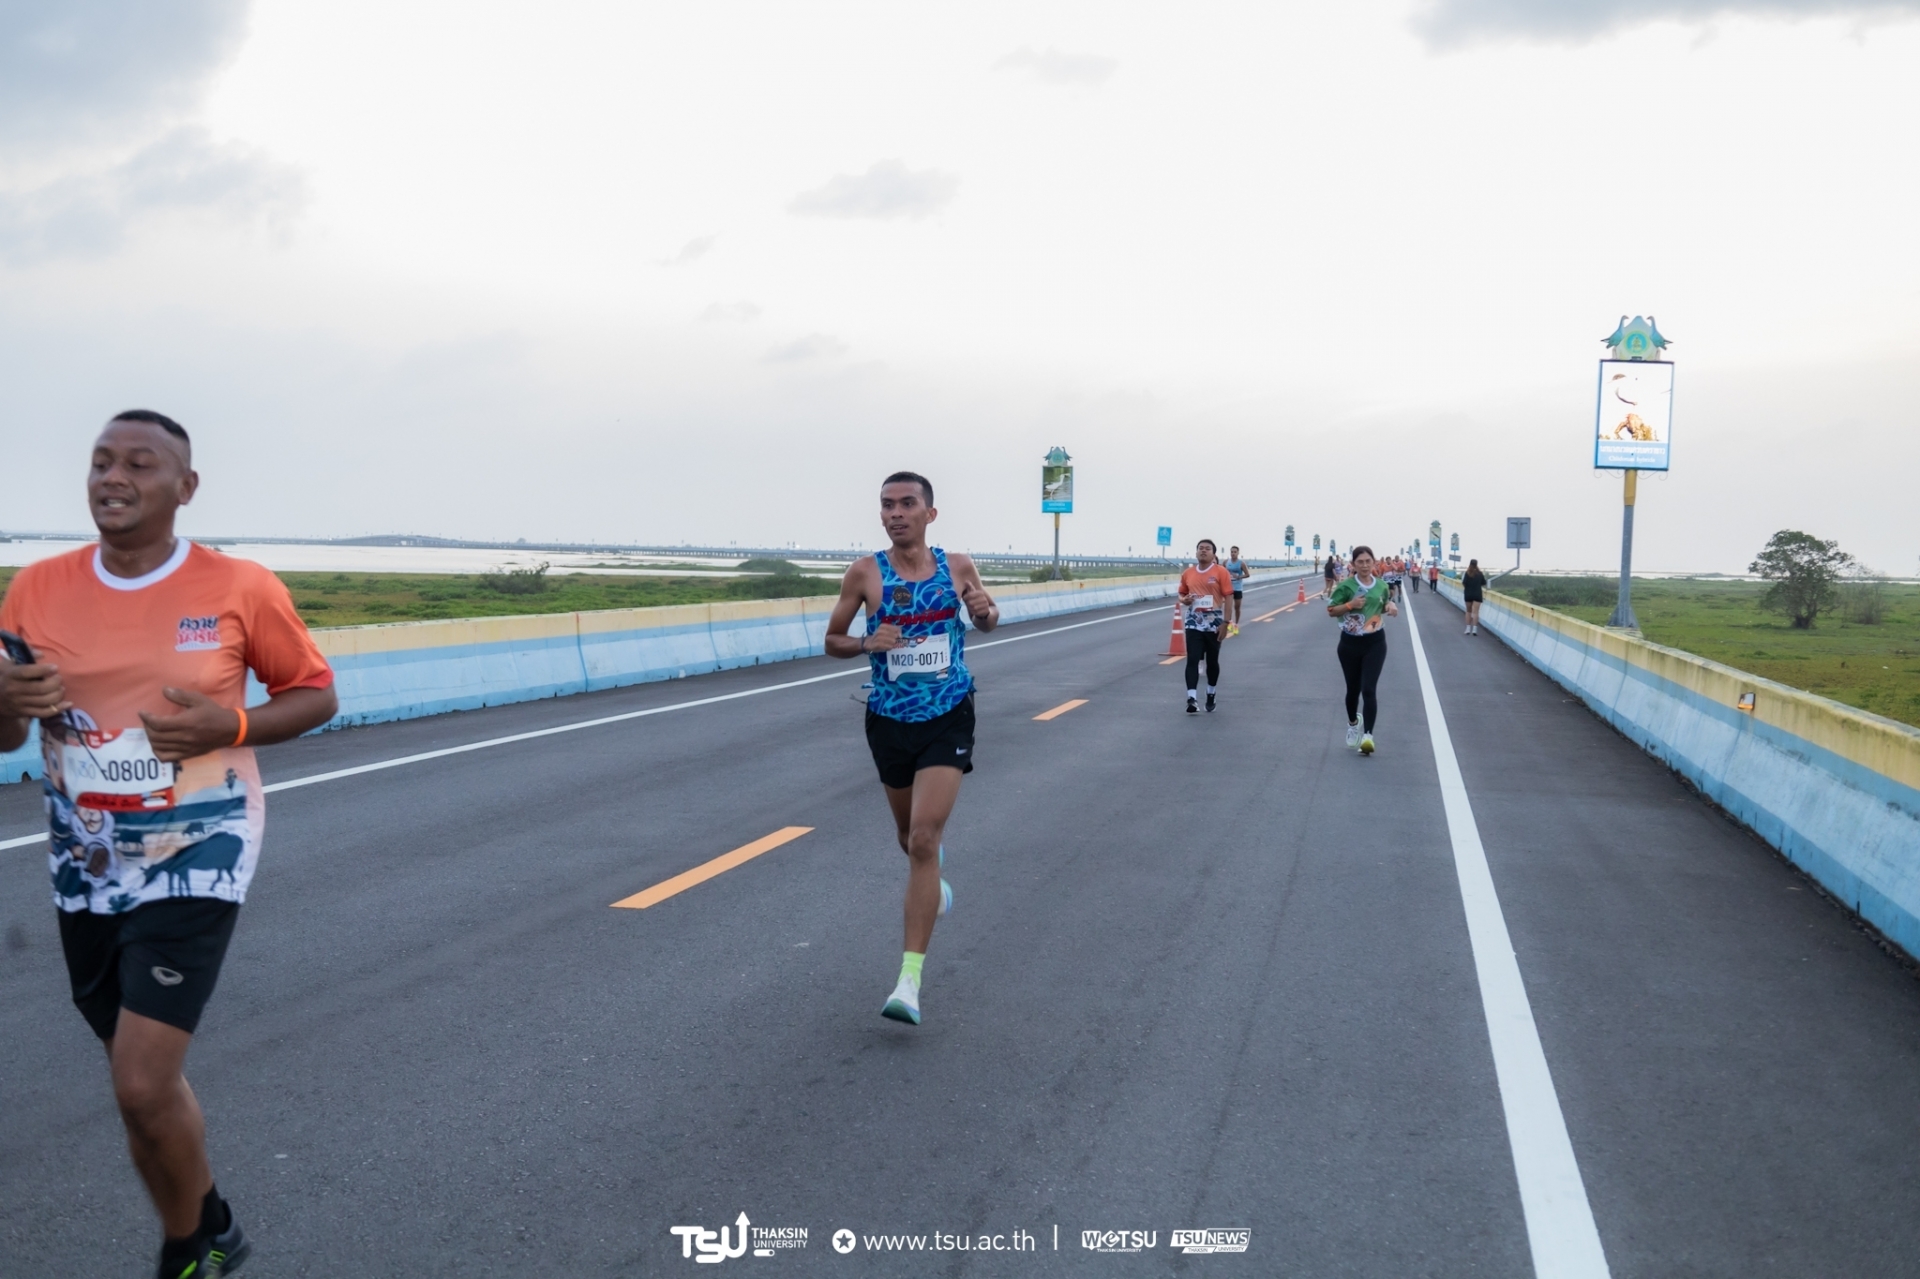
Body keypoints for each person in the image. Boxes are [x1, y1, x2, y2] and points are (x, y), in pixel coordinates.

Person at [0, 410, 339, 1279]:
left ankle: (188, 1252)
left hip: (200, 845)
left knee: (142, 1081)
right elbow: (7, 733)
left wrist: (231, 724)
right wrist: (7, 699)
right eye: (100, 461)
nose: (113, 476)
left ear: (185, 488)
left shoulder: (239, 586)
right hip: (85, 859)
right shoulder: (35, 587)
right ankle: (212, 1223)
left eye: (139, 463)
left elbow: (314, 692)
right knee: (139, 1086)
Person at [826, 472, 998, 1026]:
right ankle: (933, 883)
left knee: (924, 838)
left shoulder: (958, 566)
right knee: (908, 838)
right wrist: (864, 642)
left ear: (930, 513)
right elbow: (832, 640)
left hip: (948, 713)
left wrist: (983, 611)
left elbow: (988, 620)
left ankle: (909, 981)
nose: (895, 513)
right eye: (887, 505)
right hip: (889, 719)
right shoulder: (865, 573)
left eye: (906, 503)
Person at [1325, 545, 1397, 756]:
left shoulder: (1381, 585)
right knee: (1353, 690)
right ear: (1353, 564)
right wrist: (1351, 605)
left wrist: (1390, 606)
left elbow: (1382, 604)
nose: (1365, 566)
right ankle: (1353, 723)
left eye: (1368, 561)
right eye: (1360, 562)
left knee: (1369, 689)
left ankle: (1368, 737)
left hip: (1375, 642)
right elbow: (1331, 610)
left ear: (1374, 562)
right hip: (1349, 644)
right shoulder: (1346, 586)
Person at [1177, 540, 1235, 714]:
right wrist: (1184, 600)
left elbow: (1229, 597)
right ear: (1196, 553)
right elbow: (1181, 593)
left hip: (1214, 621)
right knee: (1193, 659)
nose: (1203, 551)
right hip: (1193, 620)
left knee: (1212, 661)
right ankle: (1191, 699)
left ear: (1213, 554)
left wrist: (1226, 622)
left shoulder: (1221, 572)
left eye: (1207, 549)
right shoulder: (1188, 573)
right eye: (1200, 548)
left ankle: (1211, 693)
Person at [1223, 545, 1249, 633]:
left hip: (1238, 588)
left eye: (1235, 552)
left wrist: (1239, 576)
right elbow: (1221, 572)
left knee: (1237, 607)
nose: (1233, 553)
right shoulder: (1226, 562)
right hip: (1228, 587)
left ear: (1238, 553)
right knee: (1228, 607)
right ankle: (1230, 623)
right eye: (1232, 552)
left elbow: (1247, 574)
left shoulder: (1241, 563)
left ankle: (1236, 624)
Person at [1462, 558, 1488, 635]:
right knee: (1476, 612)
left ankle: (1467, 629)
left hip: (1468, 594)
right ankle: (1474, 630)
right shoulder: (1480, 574)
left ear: (1470, 564)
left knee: (1468, 611)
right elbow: (1484, 583)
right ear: (1477, 564)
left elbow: (1464, 583)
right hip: (1477, 594)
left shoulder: (1467, 573)